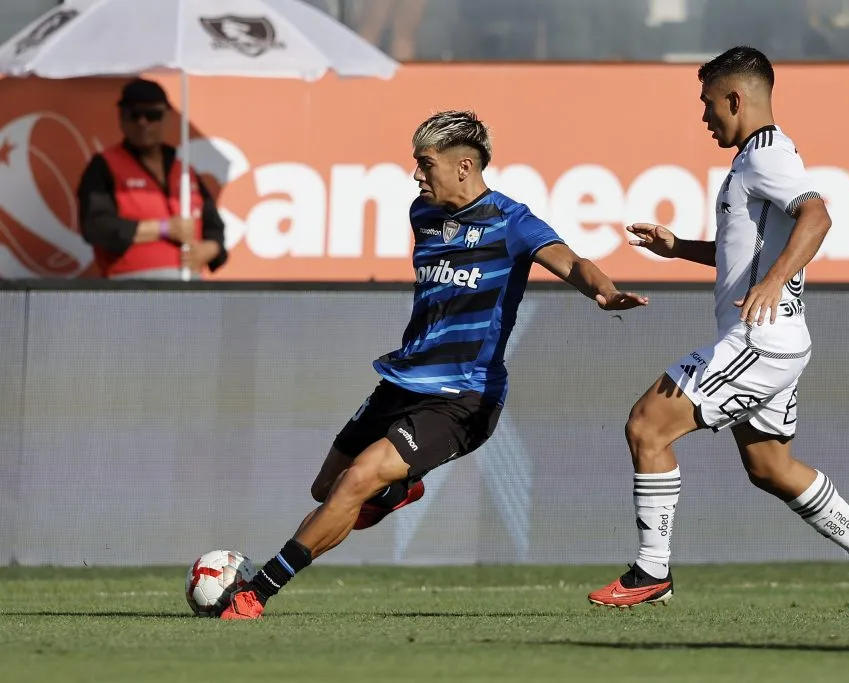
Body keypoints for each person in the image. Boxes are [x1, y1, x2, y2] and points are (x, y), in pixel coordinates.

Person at [220, 110, 649, 620]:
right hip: (402, 379)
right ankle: (400, 489)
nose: (417, 175)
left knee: (357, 482)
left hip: (464, 398)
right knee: (327, 490)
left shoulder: (511, 221)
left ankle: (257, 591)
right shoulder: (421, 215)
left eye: (425, 164)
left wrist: (602, 290)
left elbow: (569, 260)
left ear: (464, 166)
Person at [587, 47, 849, 614]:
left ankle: (650, 572)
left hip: (759, 340)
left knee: (647, 427)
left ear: (736, 98)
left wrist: (776, 282)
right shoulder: (756, 160)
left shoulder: (767, 156)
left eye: (709, 104)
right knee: (768, 465)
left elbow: (818, 215)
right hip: (778, 339)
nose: (704, 116)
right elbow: (751, 254)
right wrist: (681, 248)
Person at [77, 78, 227, 280]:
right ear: (121, 118)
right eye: (134, 115)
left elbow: (214, 226)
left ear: (168, 118)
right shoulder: (104, 166)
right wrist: (163, 229)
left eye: (152, 115)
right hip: (132, 289)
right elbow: (96, 226)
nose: (143, 123)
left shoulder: (184, 171)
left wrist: (210, 249)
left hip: (189, 287)